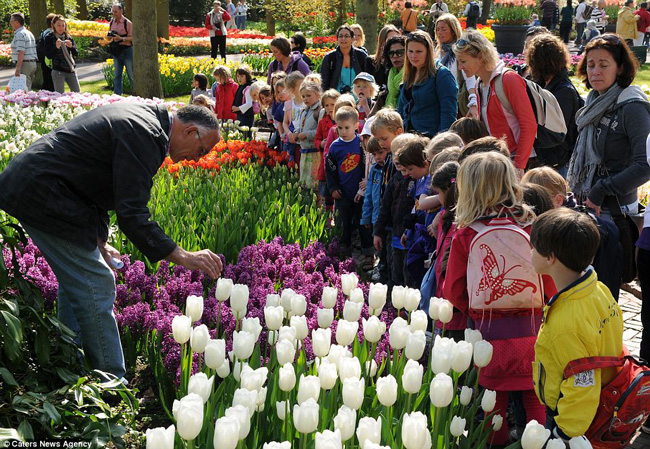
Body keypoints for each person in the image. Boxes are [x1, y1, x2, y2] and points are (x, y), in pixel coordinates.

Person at [0, 104, 224, 382]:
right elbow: (132, 214)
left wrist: (100, 242)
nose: (195, 159)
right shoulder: (145, 135)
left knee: (79, 281)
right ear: (190, 131)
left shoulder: (146, 121)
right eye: (202, 151)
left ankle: (71, 361)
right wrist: (183, 256)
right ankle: (112, 383)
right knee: (96, 281)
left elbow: (99, 186)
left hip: (45, 189)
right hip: (41, 194)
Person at [443, 151, 553, 446]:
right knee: (534, 398)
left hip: (490, 334)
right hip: (533, 330)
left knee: (494, 405)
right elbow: (549, 281)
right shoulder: (531, 227)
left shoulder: (466, 234)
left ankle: (498, 444)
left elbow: (453, 290)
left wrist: (476, 310)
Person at [530, 208, 623, 443]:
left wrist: (563, 434)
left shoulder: (567, 322)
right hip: (603, 398)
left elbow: (582, 384)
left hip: (571, 417)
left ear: (550, 257)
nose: (530, 252)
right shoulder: (598, 290)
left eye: (534, 248)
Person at [570, 34, 650, 222]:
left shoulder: (633, 108)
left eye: (604, 65)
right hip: (587, 205)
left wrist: (602, 189)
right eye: (591, 65)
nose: (596, 71)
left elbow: (645, 165)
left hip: (616, 212)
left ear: (620, 68)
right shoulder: (592, 103)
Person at [453, 29, 537, 174]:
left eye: (463, 61)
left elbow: (529, 124)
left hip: (520, 163)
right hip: (500, 162)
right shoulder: (480, 84)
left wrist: (518, 166)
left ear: (480, 56)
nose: (460, 67)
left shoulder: (508, 79)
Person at [526, 34, 582, 176]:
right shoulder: (540, 84)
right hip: (543, 160)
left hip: (557, 163)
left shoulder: (564, 91)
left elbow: (557, 132)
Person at [325, 106, 374, 258]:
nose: (343, 131)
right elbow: (330, 170)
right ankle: (342, 252)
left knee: (363, 224)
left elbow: (368, 165)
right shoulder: (335, 147)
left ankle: (367, 253)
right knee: (342, 223)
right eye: (340, 128)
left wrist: (367, 182)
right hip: (343, 194)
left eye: (347, 127)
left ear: (356, 126)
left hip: (360, 193)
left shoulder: (361, 144)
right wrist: (333, 188)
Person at [374, 134, 417, 287]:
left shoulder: (417, 179)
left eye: (401, 153)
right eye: (393, 154)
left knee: (409, 272)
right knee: (395, 269)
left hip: (411, 236)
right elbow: (384, 207)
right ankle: (393, 304)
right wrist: (378, 232)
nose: (396, 158)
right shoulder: (395, 179)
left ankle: (408, 306)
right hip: (394, 233)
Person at [398, 31, 458, 137]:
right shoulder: (409, 73)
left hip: (432, 138)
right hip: (408, 139)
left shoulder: (442, 74)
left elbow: (448, 113)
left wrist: (441, 141)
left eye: (419, 51)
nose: (413, 56)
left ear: (428, 52)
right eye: (410, 51)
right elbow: (402, 109)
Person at [435, 14, 478, 118]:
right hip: (438, 103)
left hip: (456, 104)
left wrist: (473, 100)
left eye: (444, 29)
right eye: (437, 29)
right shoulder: (437, 52)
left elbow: (470, 78)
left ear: (453, 31)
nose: (440, 33)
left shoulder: (459, 52)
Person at [320, 25, 371, 93]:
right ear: (337, 39)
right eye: (340, 36)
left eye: (346, 36)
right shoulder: (330, 57)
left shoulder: (361, 55)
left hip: (358, 99)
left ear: (352, 39)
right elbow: (324, 82)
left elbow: (369, 79)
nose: (343, 39)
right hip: (335, 100)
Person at [292, 81, 322, 189]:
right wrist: (297, 132)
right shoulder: (304, 110)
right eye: (303, 96)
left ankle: (316, 202)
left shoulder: (319, 111)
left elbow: (320, 131)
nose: (305, 99)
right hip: (304, 149)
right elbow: (300, 124)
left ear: (318, 95)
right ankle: (307, 201)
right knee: (305, 180)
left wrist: (306, 134)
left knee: (314, 181)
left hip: (314, 151)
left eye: (309, 96)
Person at [43, 15, 80, 94]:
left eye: (63, 25)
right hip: (58, 70)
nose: (61, 28)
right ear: (53, 25)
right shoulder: (49, 38)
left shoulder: (68, 37)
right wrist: (56, 47)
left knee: (77, 93)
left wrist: (71, 47)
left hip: (70, 69)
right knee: (59, 96)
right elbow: (49, 55)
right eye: (58, 25)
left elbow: (76, 53)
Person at [365, 24, 400, 91]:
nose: (394, 43)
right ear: (382, 41)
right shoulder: (370, 62)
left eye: (397, 39)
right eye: (390, 40)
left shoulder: (399, 62)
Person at [108, 3, 133, 96]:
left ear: (121, 11)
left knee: (131, 75)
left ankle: (135, 95)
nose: (114, 14)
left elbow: (133, 38)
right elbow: (110, 36)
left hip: (127, 51)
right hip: (116, 51)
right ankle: (117, 96)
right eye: (112, 12)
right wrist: (109, 37)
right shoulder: (111, 22)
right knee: (117, 75)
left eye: (116, 12)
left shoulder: (128, 23)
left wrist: (122, 38)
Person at [9, 12, 37, 91]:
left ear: (17, 22)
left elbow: (21, 52)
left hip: (25, 64)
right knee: (27, 88)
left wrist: (18, 69)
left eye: (11, 21)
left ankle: (28, 103)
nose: (10, 23)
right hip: (32, 63)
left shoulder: (20, 34)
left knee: (24, 91)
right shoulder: (28, 32)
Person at [382, 35, 406, 109]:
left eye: (399, 52)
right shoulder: (390, 74)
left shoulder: (413, 75)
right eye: (391, 53)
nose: (395, 56)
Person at [36, 13, 56, 92]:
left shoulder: (43, 33)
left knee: (47, 80)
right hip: (50, 60)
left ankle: (44, 99)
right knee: (51, 82)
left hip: (44, 59)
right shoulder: (51, 34)